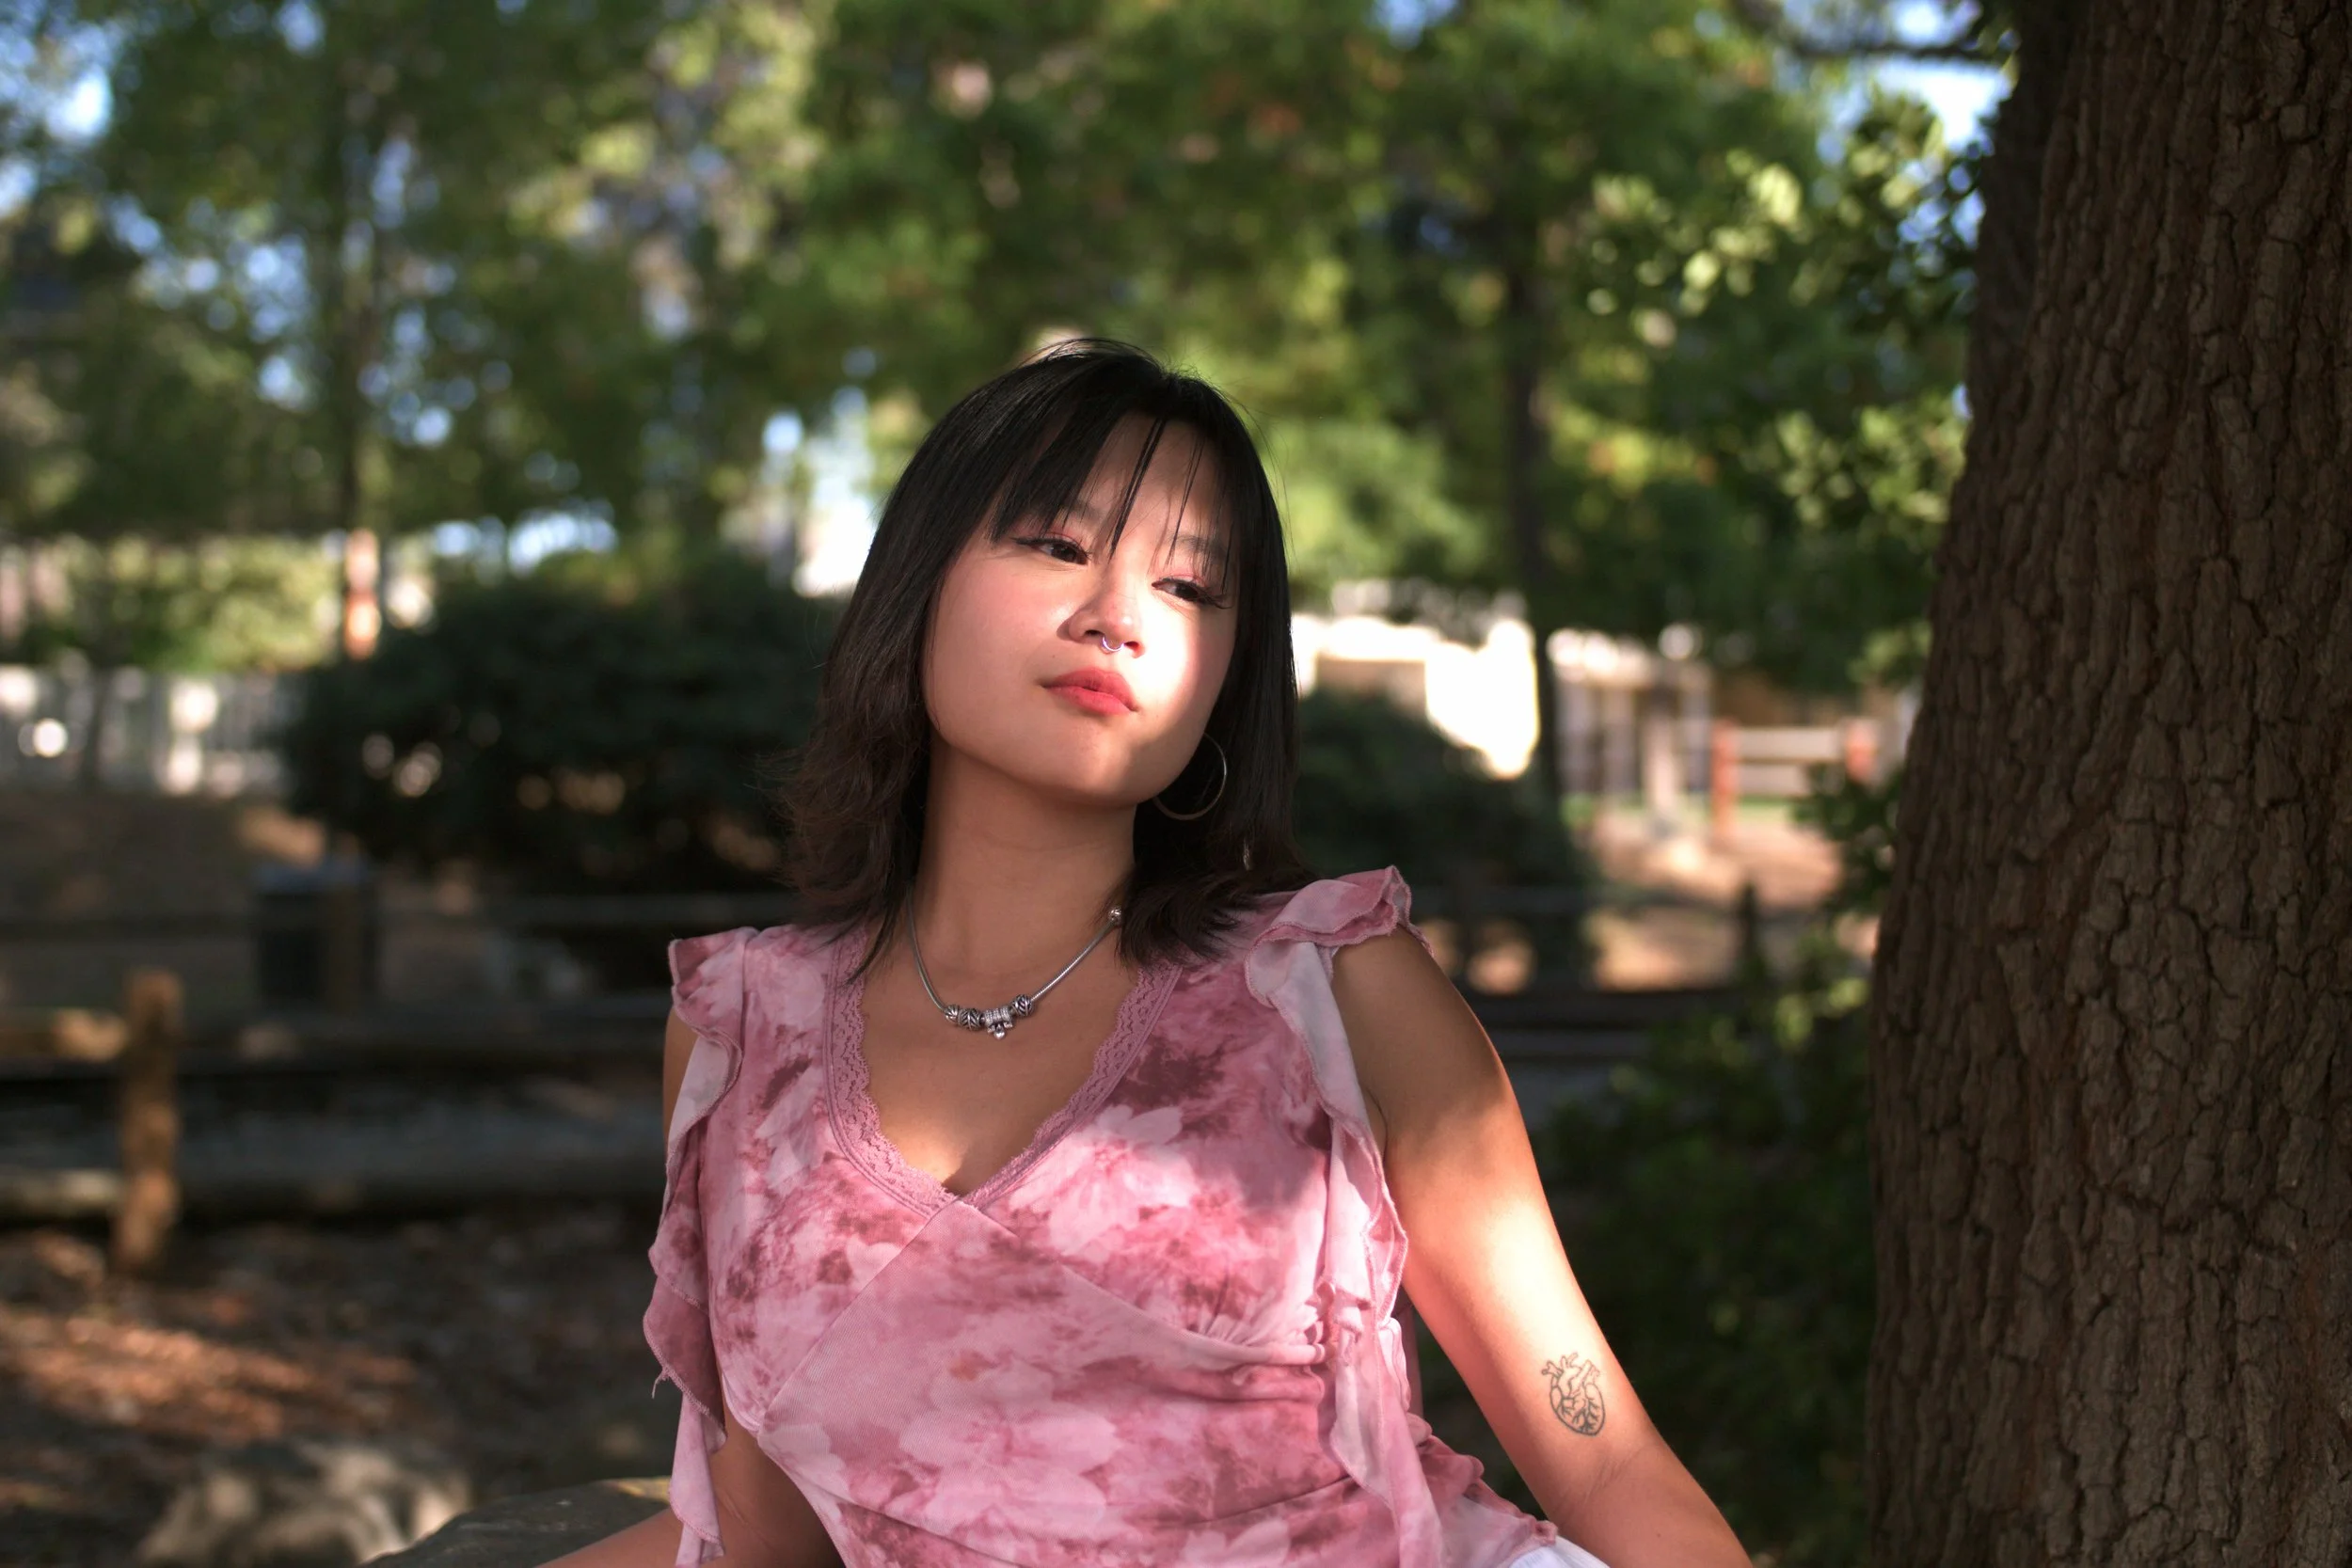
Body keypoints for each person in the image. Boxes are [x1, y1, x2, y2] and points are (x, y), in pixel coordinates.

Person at [546, 341, 1745, 1568]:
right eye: (1058, 548)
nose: (1116, 617)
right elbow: (760, 1537)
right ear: (920, 584)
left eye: (1188, 586)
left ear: (1226, 674)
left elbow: (1601, 1452)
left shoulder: (1332, 988)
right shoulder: (743, 1030)